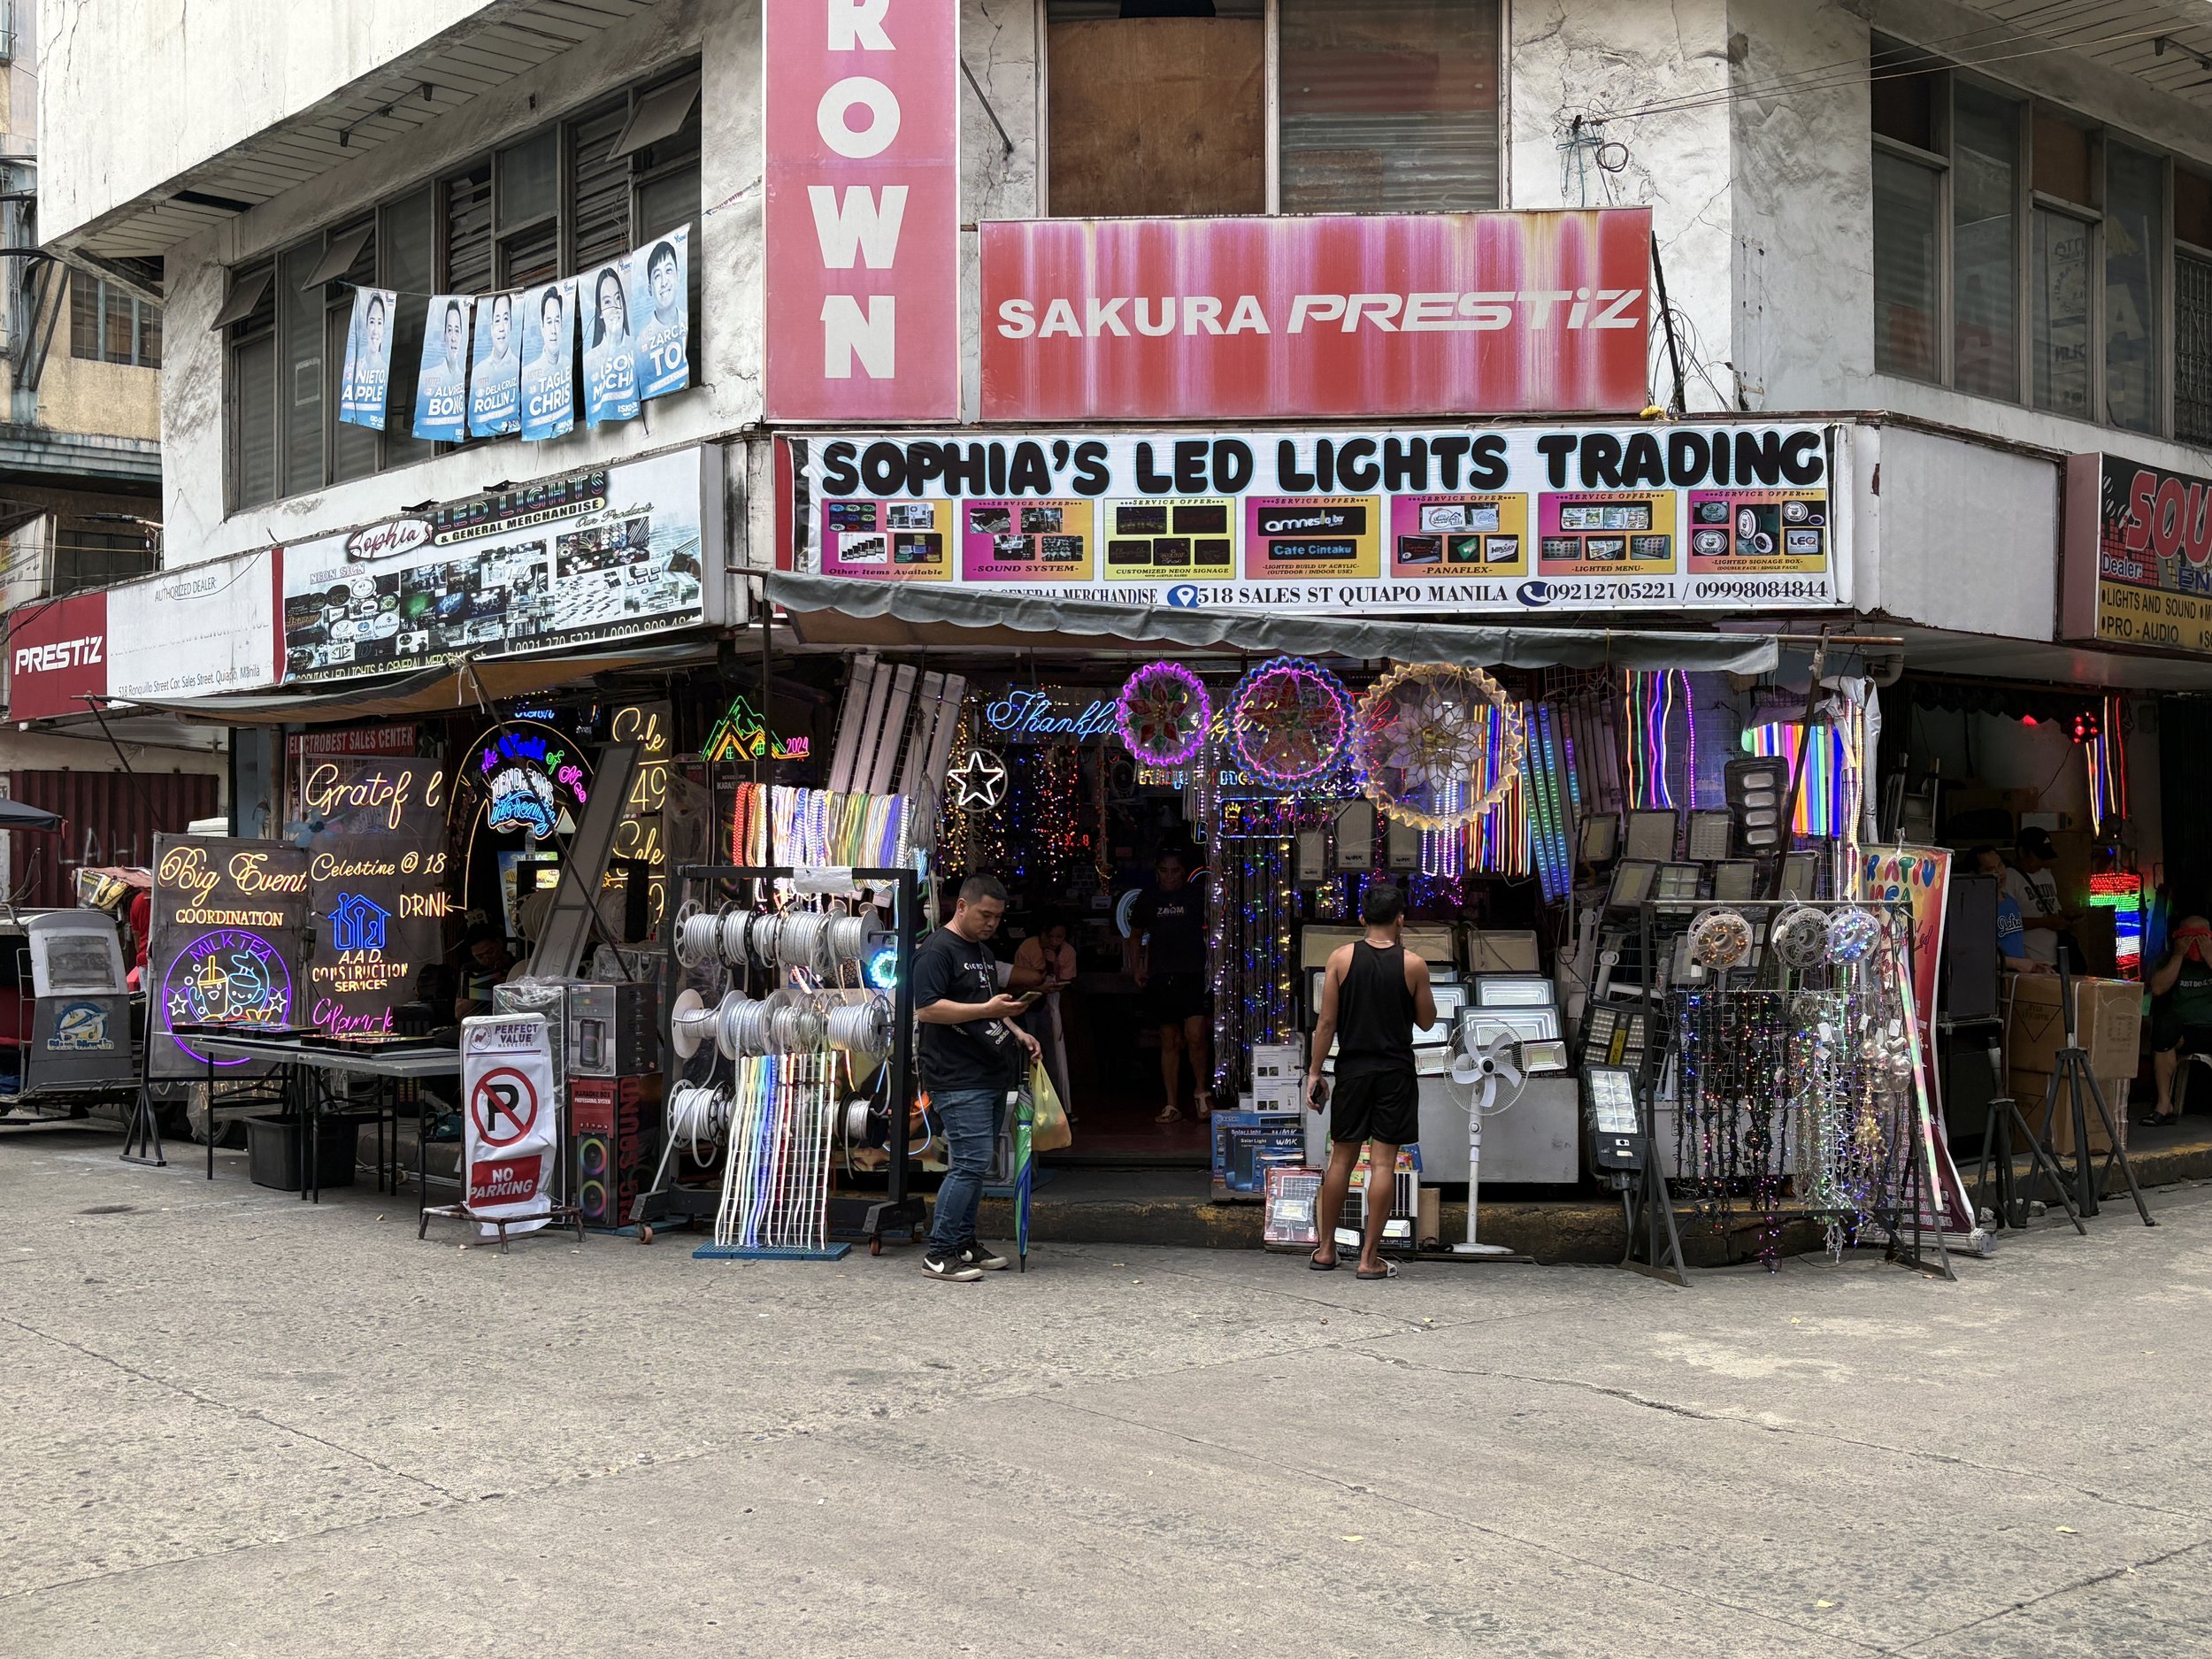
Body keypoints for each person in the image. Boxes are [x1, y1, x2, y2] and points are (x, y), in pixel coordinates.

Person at [913, 873, 1041, 1282]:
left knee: (977, 1162)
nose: (991, 923)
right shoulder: (936, 950)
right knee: (969, 1161)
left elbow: (986, 1004)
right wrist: (987, 1011)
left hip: (989, 1069)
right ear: (962, 906)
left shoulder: (983, 952)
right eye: (985, 914)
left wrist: (1016, 1029)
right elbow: (927, 1009)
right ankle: (939, 1253)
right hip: (955, 1073)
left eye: (998, 917)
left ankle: (963, 1243)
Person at [1306, 883, 1434, 1280]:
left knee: (1341, 1160)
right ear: (1401, 919)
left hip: (1352, 1070)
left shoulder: (1340, 959)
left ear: (1362, 917)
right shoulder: (1414, 965)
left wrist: (1315, 1071)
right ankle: (1369, 1258)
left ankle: (1326, 1250)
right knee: (1382, 1163)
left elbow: (1327, 1022)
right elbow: (1427, 1020)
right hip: (1395, 1072)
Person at [1130, 849, 1211, 1122]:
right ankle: (1172, 1103)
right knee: (1169, 1039)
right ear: (1157, 872)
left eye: (1174, 871)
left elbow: (1216, 929)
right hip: (1161, 974)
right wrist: (1137, 966)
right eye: (1164, 871)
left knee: (1196, 1035)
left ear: (1183, 872)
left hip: (1193, 973)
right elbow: (1135, 934)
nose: (1169, 877)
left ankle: (1201, 1093)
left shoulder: (1196, 895)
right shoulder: (1148, 897)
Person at [2143, 915, 2212, 1126]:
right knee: (2163, 1030)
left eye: (2201, 937)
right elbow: (2157, 988)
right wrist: (2179, 955)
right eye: (2189, 937)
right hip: (2184, 1032)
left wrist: (2209, 956)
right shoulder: (2166, 959)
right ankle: (2165, 1105)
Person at [1010, 913, 1078, 1118]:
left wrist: (1053, 965)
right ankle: (1031, 1105)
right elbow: (1017, 981)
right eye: (1052, 937)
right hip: (1029, 1007)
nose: (1055, 941)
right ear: (1043, 934)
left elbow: (1068, 979)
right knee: (1030, 1053)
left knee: (1055, 1056)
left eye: (1060, 937)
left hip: (1055, 1007)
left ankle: (1059, 1105)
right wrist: (1039, 984)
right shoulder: (1028, 948)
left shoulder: (1067, 951)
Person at [2002, 828, 2076, 969]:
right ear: (2022, 852)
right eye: (2039, 857)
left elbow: (2055, 909)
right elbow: (2006, 922)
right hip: (2030, 961)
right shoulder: (2009, 878)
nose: (2042, 862)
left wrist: (2064, 917)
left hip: (2055, 959)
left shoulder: (2046, 875)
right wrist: (2044, 922)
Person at [1972, 847, 2050, 975]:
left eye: (2000, 865)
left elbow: (2017, 942)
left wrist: (2033, 964)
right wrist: (2017, 964)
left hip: (2017, 977)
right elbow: (1976, 955)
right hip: (1995, 977)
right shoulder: (1976, 908)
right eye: (1990, 869)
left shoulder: (2010, 901)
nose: (1999, 872)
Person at [455, 925, 513, 1020]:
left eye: (490, 952)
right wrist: (485, 984)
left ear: (499, 943)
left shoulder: (516, 964)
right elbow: (460, 1013)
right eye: (480, 957)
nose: (487, 958)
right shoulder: (471, 970)